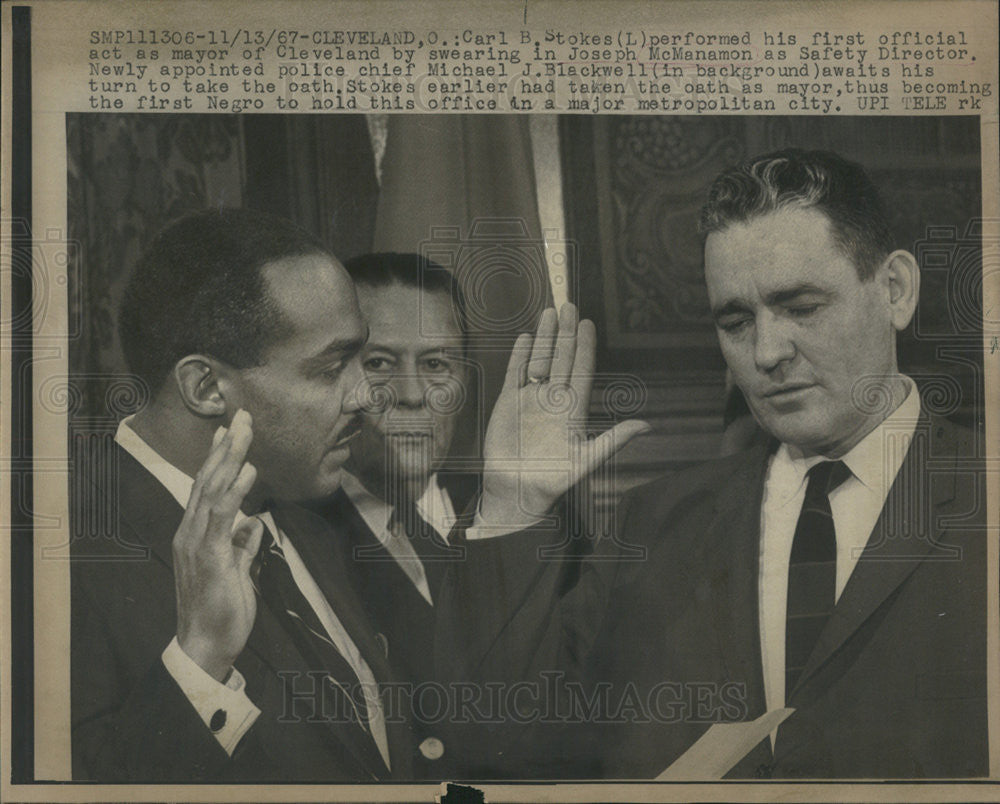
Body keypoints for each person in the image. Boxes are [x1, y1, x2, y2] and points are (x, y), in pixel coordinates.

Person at [437, 149, 989, 779]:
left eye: (802, 307)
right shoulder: (653, 524)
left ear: (895, 290)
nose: (767, 351)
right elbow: (495, 751)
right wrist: (513, 506)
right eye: (735, 320)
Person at [71, 208, 407, 781]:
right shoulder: (48, 559)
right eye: (330, 369)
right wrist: (200, 659)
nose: (369, 396)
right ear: (205, 387)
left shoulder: (314, 496)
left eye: (363, 358)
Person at [306, 252, 479, 774]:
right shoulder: (296, 541)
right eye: (379, 363)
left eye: (435, 364)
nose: (410, 395)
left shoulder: (515, 511)